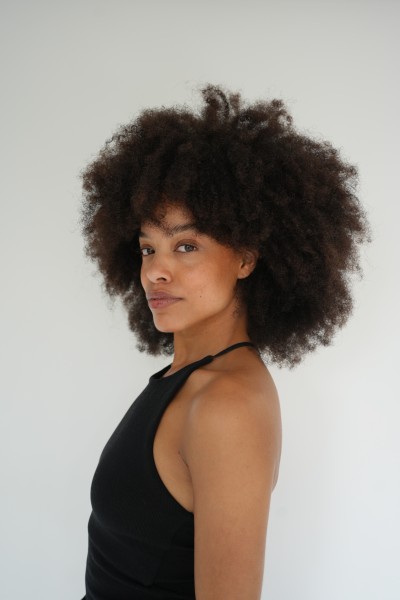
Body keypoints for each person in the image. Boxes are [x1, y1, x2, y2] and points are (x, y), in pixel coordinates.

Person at [79, 85, 370, 600]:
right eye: (148, 248)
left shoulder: (226, 404)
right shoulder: (186, 379)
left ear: (245, 258)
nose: (156, 271)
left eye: (186, 245)